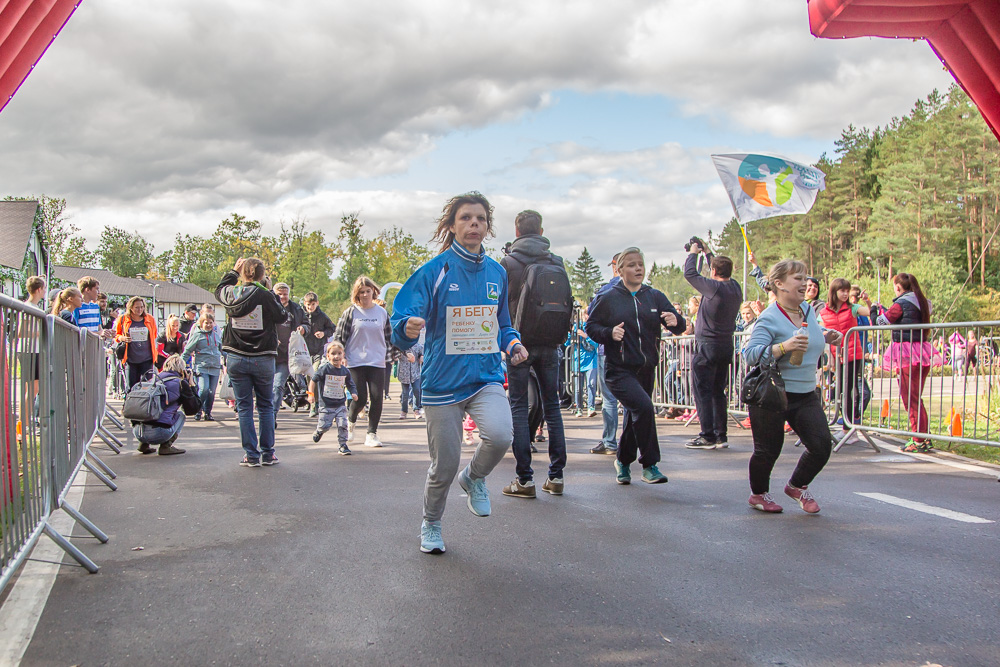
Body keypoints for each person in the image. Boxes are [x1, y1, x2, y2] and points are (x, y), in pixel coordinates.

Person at [390, 192, 527, 555]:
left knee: (500, 436)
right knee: (444, 465)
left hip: (484, 377)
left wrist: (512, 344)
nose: (473, 224)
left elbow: (503, 323)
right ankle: (431, 522)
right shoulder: (434, 271)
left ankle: (476, 477)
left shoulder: (498, 272)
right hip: (441, 382)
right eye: (466, 218)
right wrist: (408, 327)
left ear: (488, 227)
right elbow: (400, 315)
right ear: (452, 225)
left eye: (480, 219)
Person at [743, 259, 843, 514]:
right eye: (798, 278)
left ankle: (797, 485)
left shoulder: (807, 309)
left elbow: (806, 330)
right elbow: (750, 354)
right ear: (779, 284)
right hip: (773, 395)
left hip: (805, 393)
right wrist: (783, 347)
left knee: (821, 445)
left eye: (805, 277)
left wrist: (825, 333)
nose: (806, 283)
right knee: (768, 450)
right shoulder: (768, 318)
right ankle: (758, 494)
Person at [586, 247, 686, 485]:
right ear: (620, 270)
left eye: (640, 264)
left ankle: (622, 460)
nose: (638, 268)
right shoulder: (608, 297)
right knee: (643, 407)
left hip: (646, 369)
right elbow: (591, 327)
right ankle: (650, 464)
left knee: (635, 415)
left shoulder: (654, 296)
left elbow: (678, 326)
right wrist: (609, 333)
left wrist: (677, 322)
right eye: (631, 265)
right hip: (619, 369)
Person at [499, 209, 572, 499]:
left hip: (519, 343)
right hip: (551, 342)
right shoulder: (557, 262)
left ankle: (524, 479)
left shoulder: (508, 263)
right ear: (541, 232)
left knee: (518, 406)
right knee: (552, 407)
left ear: (517, 232)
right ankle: (556, 476)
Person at [215, 258, 287, 467]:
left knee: (244, 407)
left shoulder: (233, 293)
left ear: (243, 274)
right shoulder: (265, 295)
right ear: (263, 276)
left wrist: (233, 272)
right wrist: (270, 290)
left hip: (237, 356)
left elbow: (219, 289)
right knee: (265, 406)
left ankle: (250, 454)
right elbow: (282, 316)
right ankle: (267, 453)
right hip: (263, 356)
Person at [683, 238, 742, 450]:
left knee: (703, 390)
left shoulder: (714, 288)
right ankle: (720, 435)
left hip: (707, 345)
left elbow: (690, 274)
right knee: (718, 391)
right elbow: (716, 269)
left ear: (714, 271)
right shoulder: (735, 287)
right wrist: (707, 252)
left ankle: (707, 435)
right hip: (725, 345)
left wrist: (693, 253)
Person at [876, 273, 933, 452]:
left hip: (907, 354)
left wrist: (873, 310)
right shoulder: (922, 301)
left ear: (898, 287)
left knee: (910, 398)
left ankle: (918, 439)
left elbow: (882, 321)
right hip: (921, 351)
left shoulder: (901, 303)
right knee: (916, 398)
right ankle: (922, 436)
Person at [335, 277, 391, 448]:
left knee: (377, 398)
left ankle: (371, 434)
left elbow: (390, 337)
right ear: (356, 294)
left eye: (368, 291)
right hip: (355, 360)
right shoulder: (351, 312)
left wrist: (401, 352)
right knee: (359, 398)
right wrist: (339, 355)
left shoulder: (381, 313)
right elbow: (339, 337)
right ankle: (350, 423)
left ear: (373, 291)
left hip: (377, 360)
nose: (365, 294)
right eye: (362, 292)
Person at [819, 279, 872, 442]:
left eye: (847, 291)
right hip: (836, 355)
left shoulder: (852, 308)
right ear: (833, 292)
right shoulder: (824, 312)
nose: (845, 294)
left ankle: (849, 428)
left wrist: (868, 301)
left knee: (849, 389)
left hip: (853, 355)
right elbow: (823, 333)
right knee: (841, 391)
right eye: (841, 290)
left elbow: (869, 312)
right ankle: (846, 427)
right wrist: (831, 357)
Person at [589, 254, 622, 455]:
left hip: (608, 349)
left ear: (615, 267)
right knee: (630, 398)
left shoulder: (607, 289)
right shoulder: (643, 291)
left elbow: (591, 316)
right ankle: (630, 440)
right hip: (632, 349)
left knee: (610, 398)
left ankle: (610, 442)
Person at [132, 354, 188, 456]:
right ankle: (166, 446)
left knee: (148, 410)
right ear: (181, 369)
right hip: (159, 433)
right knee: (180, 415)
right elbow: (192, 409)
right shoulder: (179, 383)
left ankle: (143, 444)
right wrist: (191, 385)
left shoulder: (152, 380)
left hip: (138, 432)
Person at [270, 283, 310, 427]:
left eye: (285, 294)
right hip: (268, 353)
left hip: (286, 355)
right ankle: (266, 414)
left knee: (277, 385)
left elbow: (307, 323)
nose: (282, 297)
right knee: (266, 387)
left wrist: (304, 328)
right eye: (279, 294)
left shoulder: (296, 309)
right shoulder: (268, 306)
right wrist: (271, 338)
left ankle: (271, 417)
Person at [309, 341, 358, 454]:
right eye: (333, 353)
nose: (336, 356)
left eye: (339, 353)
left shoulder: (345, 371)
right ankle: (319, 431)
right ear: (328, 356)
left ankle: (343, 445)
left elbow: (351, 384)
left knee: (343, 425)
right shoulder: (324, 369)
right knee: (325, 425)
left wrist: (354, 393)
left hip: (340, 404)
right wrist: (310, 395)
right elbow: (313, 381)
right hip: (326, 405)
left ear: (343, 355)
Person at [182, 313, 223, 421]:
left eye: (210, 323)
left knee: (212, 392)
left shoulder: (216, 336)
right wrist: (180, 363)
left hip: (214, 367)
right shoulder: (197, 335)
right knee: (204, 389)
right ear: (201, 323)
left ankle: (208, 412)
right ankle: (198, 410)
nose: (209, 325)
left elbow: (222, 350)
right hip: (202, 367)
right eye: (206, 323)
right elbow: (187, 351)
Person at [302, 292, 336, 417]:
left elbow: (332, 328)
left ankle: (314, 404)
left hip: (318, 350)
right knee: (307, 378)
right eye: (307, 305)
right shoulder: (302, 315)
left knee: (314, 374)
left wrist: (323, 333)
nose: (310, 307)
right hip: (304, 352)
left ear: (317, 303)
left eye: (312, 304)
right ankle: (311, 400)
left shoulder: (322, 316)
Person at [114, 296, 159, 391]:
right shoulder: (123, 319)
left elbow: (154, 334)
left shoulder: (149, 319)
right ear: (131, 308)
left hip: (147, 358)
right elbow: (116, 335)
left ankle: (145, 405)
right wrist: (122, 338)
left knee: (146, 387)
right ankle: (130, 404)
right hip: (131, 359)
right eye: (137, 307)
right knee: (131, 387)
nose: (140, 310)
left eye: (142, 307)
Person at [571, 307, 598, 418]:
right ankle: (579, 408)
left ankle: (591, 407)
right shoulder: (577, 327)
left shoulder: (593, 328)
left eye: (588, 314)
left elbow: (597, 344)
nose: (586, 317)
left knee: (591, 384)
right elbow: (567, 343)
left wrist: (586, 336)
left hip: (591, 361)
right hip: (578, 361)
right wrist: (571, 333)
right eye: (584, 315)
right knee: (578, 387)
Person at [397, 340, 423, 419]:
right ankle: (404, 411)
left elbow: (422, 353)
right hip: (404, 373)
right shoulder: (401, 345)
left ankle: (416, 410)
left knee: (417, 390)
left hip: (415, 373)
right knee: (405, 393)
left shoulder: (417, 345)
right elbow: (396, 354)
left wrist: (421, 357)